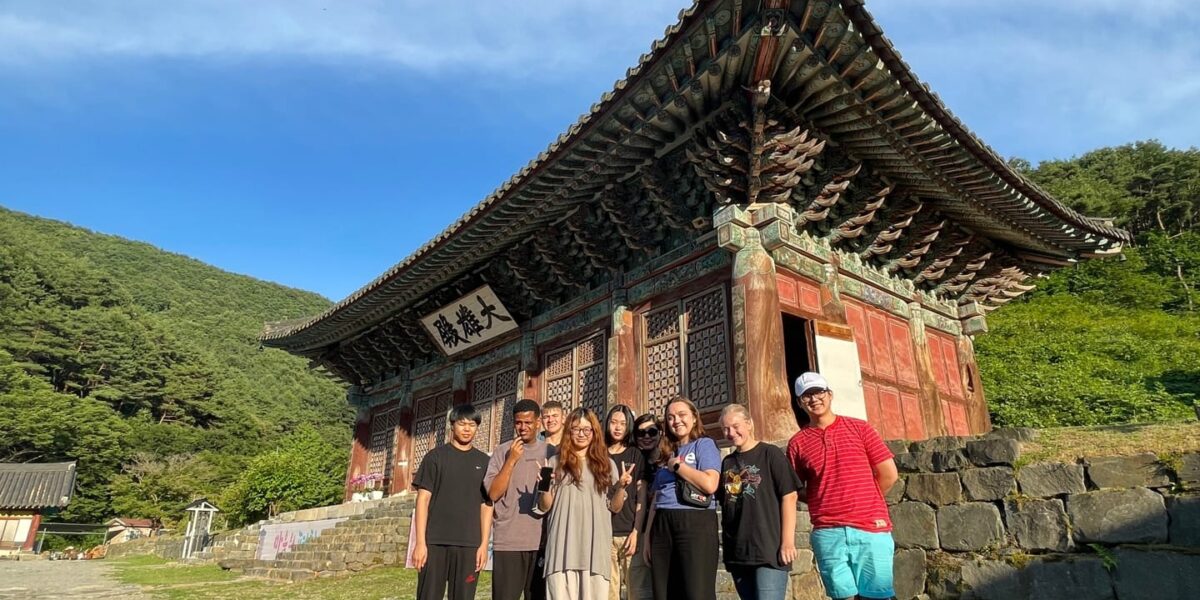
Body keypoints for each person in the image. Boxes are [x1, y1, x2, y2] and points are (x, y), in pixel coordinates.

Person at [786, 372, 899, 600]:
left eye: (818, 392)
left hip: (870, 527)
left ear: (830, 394)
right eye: (806, 396)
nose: (814, 399)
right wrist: (822, 499)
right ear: (799, 403)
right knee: (842, 597)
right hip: (828, 532)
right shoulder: (797, 443)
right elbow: (795, 488)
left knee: (877, 596)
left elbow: (889, 474)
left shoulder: (860, 428)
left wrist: (866, 498)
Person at [537, 408, 632, 600]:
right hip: (561, 549)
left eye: (587, 429)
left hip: (594, 550)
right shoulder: (555, 462)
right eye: (576, 429)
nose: (581, 434)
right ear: (568, 432)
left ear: (595, 432)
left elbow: (614, 507)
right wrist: (544, 485)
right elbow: (545, 506)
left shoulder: (606, 464)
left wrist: (621, 487)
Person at [716, 404, 799, 600]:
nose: (731, 433)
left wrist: (787, 542)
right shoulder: (727, 462)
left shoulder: (770, 454)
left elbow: (789, 496)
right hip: (738, 551)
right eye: (725, 429)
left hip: (768, 548)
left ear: (749, 424)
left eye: (736, 426)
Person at [412, 404, 495, 600]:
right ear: (452, 426)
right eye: (462, 424)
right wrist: (420, 542)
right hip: (435, 542)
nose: (467, 429)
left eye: (472, 425)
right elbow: (423, 500)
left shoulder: (484, 462)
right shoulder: (435, 457)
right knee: (428, 595)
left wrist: (483, 545)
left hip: (469, 544)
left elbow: (487, 505)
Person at [643, 397, 721, 600]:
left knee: (697, 592)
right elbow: (656, 499)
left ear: (694, 417)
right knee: (664, 591)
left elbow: (710, 484)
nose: (676, 421)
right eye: (670, 417)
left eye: (681, 415)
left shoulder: (704, 445)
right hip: (662, 524)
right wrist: (647, 538)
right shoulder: (667, 452)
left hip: (694, 522)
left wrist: (678, 466)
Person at [485, 399, 558, 600]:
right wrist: (511, 460)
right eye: (518, 423)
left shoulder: (551, 452)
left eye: (528, 422)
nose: (523, 427)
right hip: (508, 541)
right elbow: (493, 494)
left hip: (542, 541)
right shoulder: (502, 451)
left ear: (538, 423)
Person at [604, 405, 645, 600]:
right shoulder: (600, 454)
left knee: (634, 591)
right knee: (608, 592)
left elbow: (641, 496)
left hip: (629, 532)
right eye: (614, 422)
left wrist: (636, 531)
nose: (618, 427)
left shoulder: (635, 454)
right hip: (605, 533)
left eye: (622, 423)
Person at [626, 413, 662, 600]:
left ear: (660, 433)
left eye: (652, 431)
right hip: (639, 528)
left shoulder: (668, 459)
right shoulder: (633, 460)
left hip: (663, 527)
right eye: (641, 433)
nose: (647, 436)